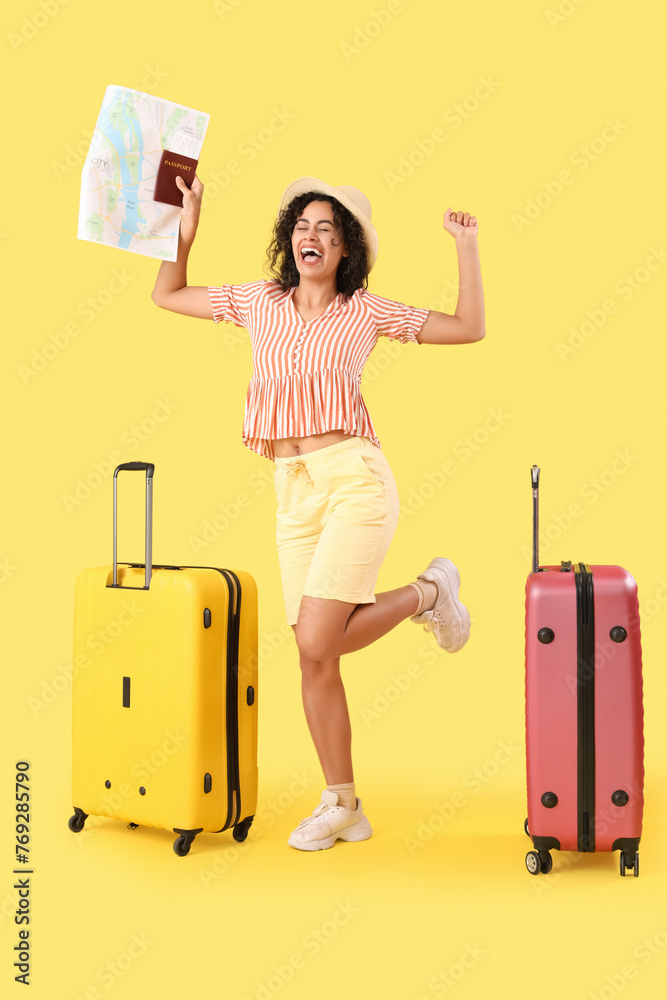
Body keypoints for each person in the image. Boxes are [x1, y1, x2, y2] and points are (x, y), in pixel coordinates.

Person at [151, 172, 485, 852]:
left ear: (345, 250)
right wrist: (180, 237)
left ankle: (428, 591)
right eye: (303, 225)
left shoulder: (364, 311)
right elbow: (167, 292)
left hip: (354, 479)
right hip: (291, 487)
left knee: (313, 638)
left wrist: (465, 248)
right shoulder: (257, 301)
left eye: (327, 230)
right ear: (288, 239)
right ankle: (343, 805)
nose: (312, 235)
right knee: (314, 659)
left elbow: (468, 328)